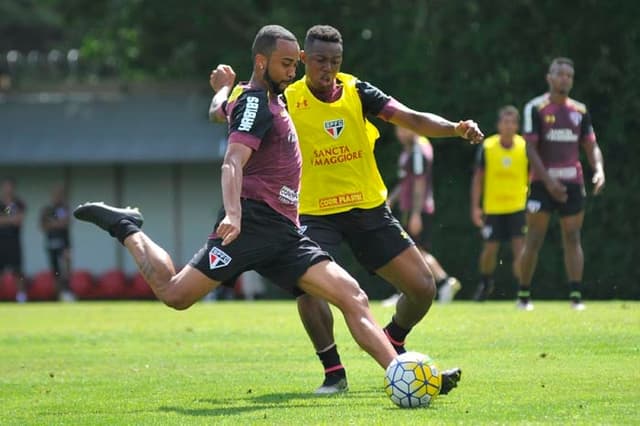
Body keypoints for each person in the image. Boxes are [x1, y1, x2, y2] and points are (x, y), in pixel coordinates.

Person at [74, 25, 399, 382]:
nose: (293, 73)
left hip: (286, 233)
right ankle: (126, 227)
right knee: (175, 294)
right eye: (286, 64)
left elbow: (218, 111)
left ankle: (402, 375)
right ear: (262, 63)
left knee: (353, 296)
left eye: (295, 64)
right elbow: (232, 160)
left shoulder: (265, 98)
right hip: (251, 225)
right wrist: (233, 213)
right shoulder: (256, 103)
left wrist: (223, 90)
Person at [209, 24, 482, 394]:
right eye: (320, 61)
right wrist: (223, 87)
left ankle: (393, 344)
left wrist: (455, 128)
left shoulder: (357, 91)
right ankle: (334, 372)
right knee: (309, 292)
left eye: (335, 61)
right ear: (304, 60)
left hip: (367, 209)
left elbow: (410, 117)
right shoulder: (282, 94)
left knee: (422, 287)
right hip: (311, 214)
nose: (328, 69)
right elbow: (220, 112)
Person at [517, 57, 605, 311]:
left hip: (572, 183)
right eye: (560, 74)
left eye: (569, 74)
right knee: (533, 237)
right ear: (549, 78)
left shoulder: (580, 111)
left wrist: (598, 169)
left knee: (573, 236)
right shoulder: (536, 107)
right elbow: (530, 149)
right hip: (542, 184)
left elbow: (591, 145)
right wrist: (548, 181)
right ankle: (524, 296)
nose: (565, 78)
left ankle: (576, 296)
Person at [383, 126, 462, 307]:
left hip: (416, 209)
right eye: (398, 130)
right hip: (410, 208)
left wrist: (416, 214)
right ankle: (443, 282)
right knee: (415, 250)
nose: (400, 133)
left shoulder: (418, 149)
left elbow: (419, 183)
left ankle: (439, 282)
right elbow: (405, 182)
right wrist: (390, 201)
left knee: (407, 251)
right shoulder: (410, 150)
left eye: (404, 129)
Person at [470, 106, 528, 301]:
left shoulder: (524, 146)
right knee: (489, 250)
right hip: (493, 208)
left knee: (520, 249)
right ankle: (485, 282)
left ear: (517, 126)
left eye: (513, 122)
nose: (509, 126)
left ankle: (523, 290)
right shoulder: (488, 147)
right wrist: (475, 207)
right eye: (505, 122)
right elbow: (478, 179)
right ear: (498, 125)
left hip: (517, 207)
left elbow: (531, 176)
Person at [40, 184, 75, 302]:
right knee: (55, 271)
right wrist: (56, 224)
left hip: (64, 244)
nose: (57, 197)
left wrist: (53, 223)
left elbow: (65, 222)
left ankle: (67, 291)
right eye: (55, 194)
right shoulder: (47, 210)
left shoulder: (64, 208)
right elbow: (43, 225)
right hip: (51, 244)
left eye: (60, 194)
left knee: (66, 269)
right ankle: (58, 295)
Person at [0, 177, 27, 302]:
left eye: (10, 186)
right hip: (1, 242)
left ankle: (21, 297)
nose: (8, 189)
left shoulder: (19, 203)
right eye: (6, 186)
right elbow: (13, 219)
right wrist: (10, 219)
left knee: (18, 271)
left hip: (14, 242)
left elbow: (19, 220)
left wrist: (5, 219)